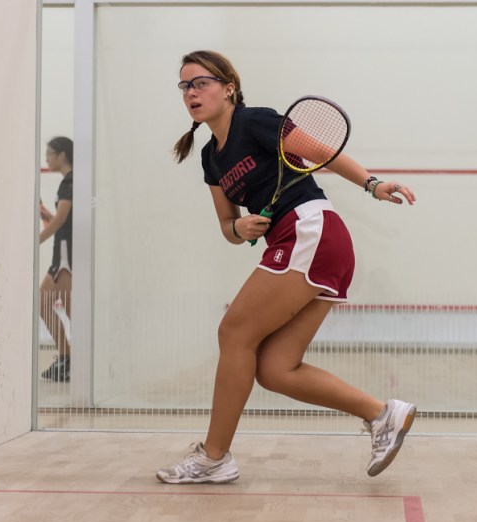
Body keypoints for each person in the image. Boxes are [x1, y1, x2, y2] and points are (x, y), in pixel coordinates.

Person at [156, 51, 417, 484]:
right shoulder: (211, 159)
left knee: (233, 332)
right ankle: (382, 414)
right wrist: (239, 227)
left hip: (311, 230)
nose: (191, 93)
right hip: (302, 243)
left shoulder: (254, 121)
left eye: (200, 83)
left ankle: (214, 456)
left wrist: (373, 184)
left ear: (229, 88)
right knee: (276, 369)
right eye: (184, 86)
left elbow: (324, 154)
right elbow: (226, 225)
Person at [39, 137, 73, 382]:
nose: (47, 159)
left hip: (66, 255)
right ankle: (66, 357)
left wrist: (35, 240)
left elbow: (61, 221)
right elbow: (62, 219)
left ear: (62, 155)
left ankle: (77, 361)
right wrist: (46, 215)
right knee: (42, 301)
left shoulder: (70, 182)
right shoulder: (69, 182)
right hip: (60, 253)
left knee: (74, 311)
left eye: (49, 153)